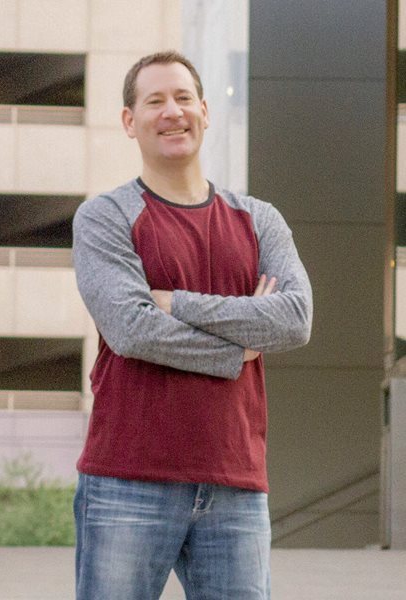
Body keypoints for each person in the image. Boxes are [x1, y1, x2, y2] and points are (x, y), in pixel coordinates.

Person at [72, 50, 312, 600]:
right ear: (129, 120)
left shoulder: (259, 220)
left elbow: (295, 319)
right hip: (127, 479)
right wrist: (238, 347)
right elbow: (131, 329)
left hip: (235, 483)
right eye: (154, 100)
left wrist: (175, 303)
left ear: (204, 110)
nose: (172, 112)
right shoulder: (106, 217)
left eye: (183, 98)